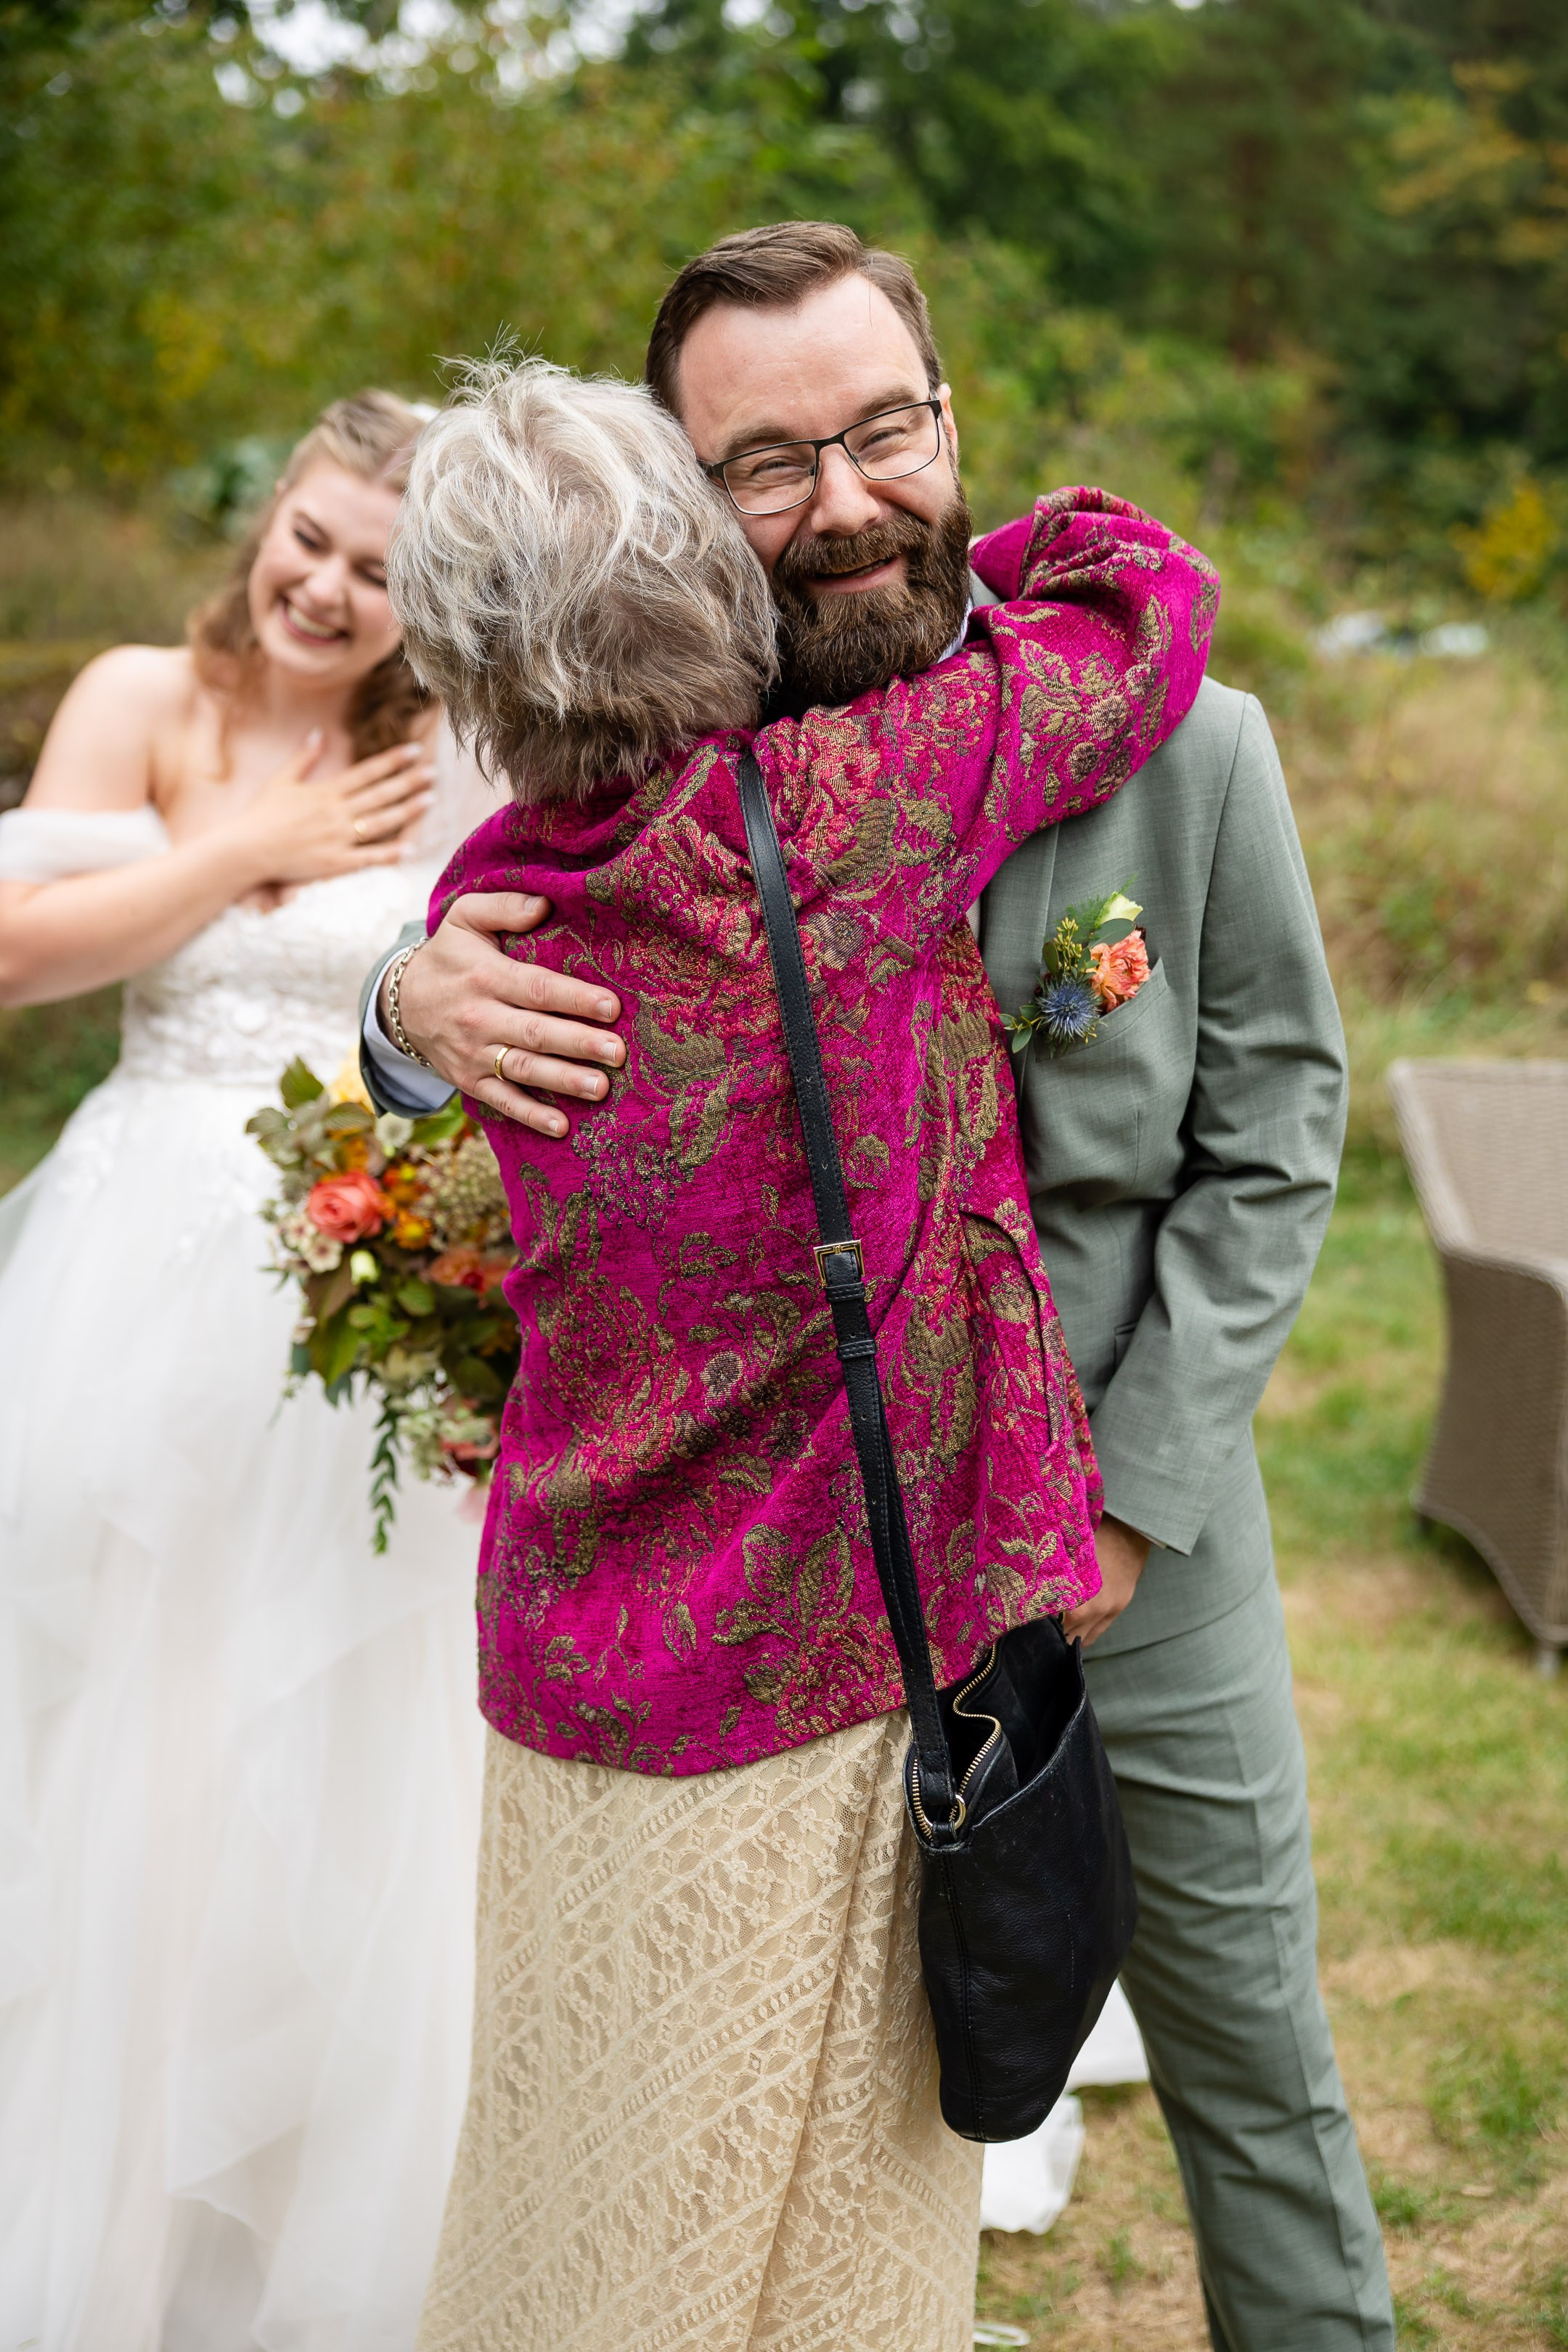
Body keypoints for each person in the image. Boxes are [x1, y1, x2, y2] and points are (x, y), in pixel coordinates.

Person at [362, 224, 1395, 2352]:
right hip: (830, 1607)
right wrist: (401, 996)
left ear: (949, 411)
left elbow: (1274, 1135)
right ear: (679, 494)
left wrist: (1138, 1490)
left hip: (1136, 1533)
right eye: (768, 462)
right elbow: (475, 924)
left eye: (884, 431)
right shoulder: (651, 759)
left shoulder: (1192, 751)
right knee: (855, 2122)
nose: (844, 500)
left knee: (1248, 2059)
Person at [0, 391, 493, 2352]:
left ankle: (287, 2215)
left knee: (309, 1741)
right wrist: (256, 844)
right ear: (267, 516)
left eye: (376, 572)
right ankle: (90, 2198)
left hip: (344, 1293)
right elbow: (23, 955)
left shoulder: (446, 751)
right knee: (107, 1712)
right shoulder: (146, 695)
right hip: (121, 1272)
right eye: (309, 537)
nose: (323, 587)